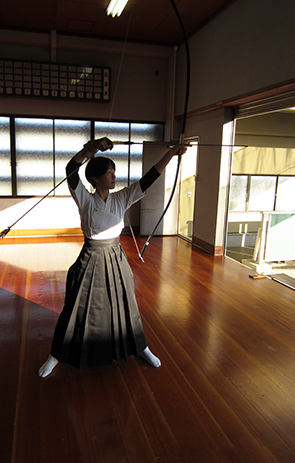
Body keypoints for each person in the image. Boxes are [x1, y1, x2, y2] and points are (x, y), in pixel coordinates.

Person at [38, 137, 187, 377]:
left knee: (127, 305)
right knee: (75, 308)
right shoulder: (85, 198)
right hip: (91, 257)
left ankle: (142, 347)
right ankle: (56, 355)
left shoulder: (121, 197)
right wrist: (91, 148)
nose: (114, 177)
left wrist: (171, 154)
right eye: (109, 173)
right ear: (96, 178)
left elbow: (149, 177)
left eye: (114, 172)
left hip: (116, 258)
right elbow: (70, 170)